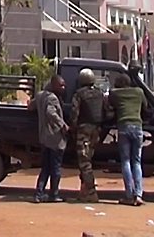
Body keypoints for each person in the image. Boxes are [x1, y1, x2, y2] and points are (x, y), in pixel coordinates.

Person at [108, 71, 150, 206]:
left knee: (125, 161)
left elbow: (110, 108)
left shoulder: (114, 93)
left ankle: (129, 195)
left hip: (123, 127)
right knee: (136, 161)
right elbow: (146, 108)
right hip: (138, 127)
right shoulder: (139, 92)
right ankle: (138, 194)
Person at [29, 75, 69, 203]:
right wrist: (62, 125)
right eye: (61, 85)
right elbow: (50, 112)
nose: (63, 88)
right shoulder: (52, 98)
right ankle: (54, 194)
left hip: (44, 138)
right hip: (55, 138)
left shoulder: (40, 95)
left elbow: (31, 106)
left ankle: (38, 194)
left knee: (45, 168)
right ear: (53, 85)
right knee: (55, 168)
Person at [70, 68, 107, 202]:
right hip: (96, 131)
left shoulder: (79, 94)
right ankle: (84, 191)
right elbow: (107, 111)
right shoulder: (100, 93)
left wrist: (73, 128)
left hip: (84, 130)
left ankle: (91, 192)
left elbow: (74, 113)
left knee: (84, 163)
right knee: (87, 160)